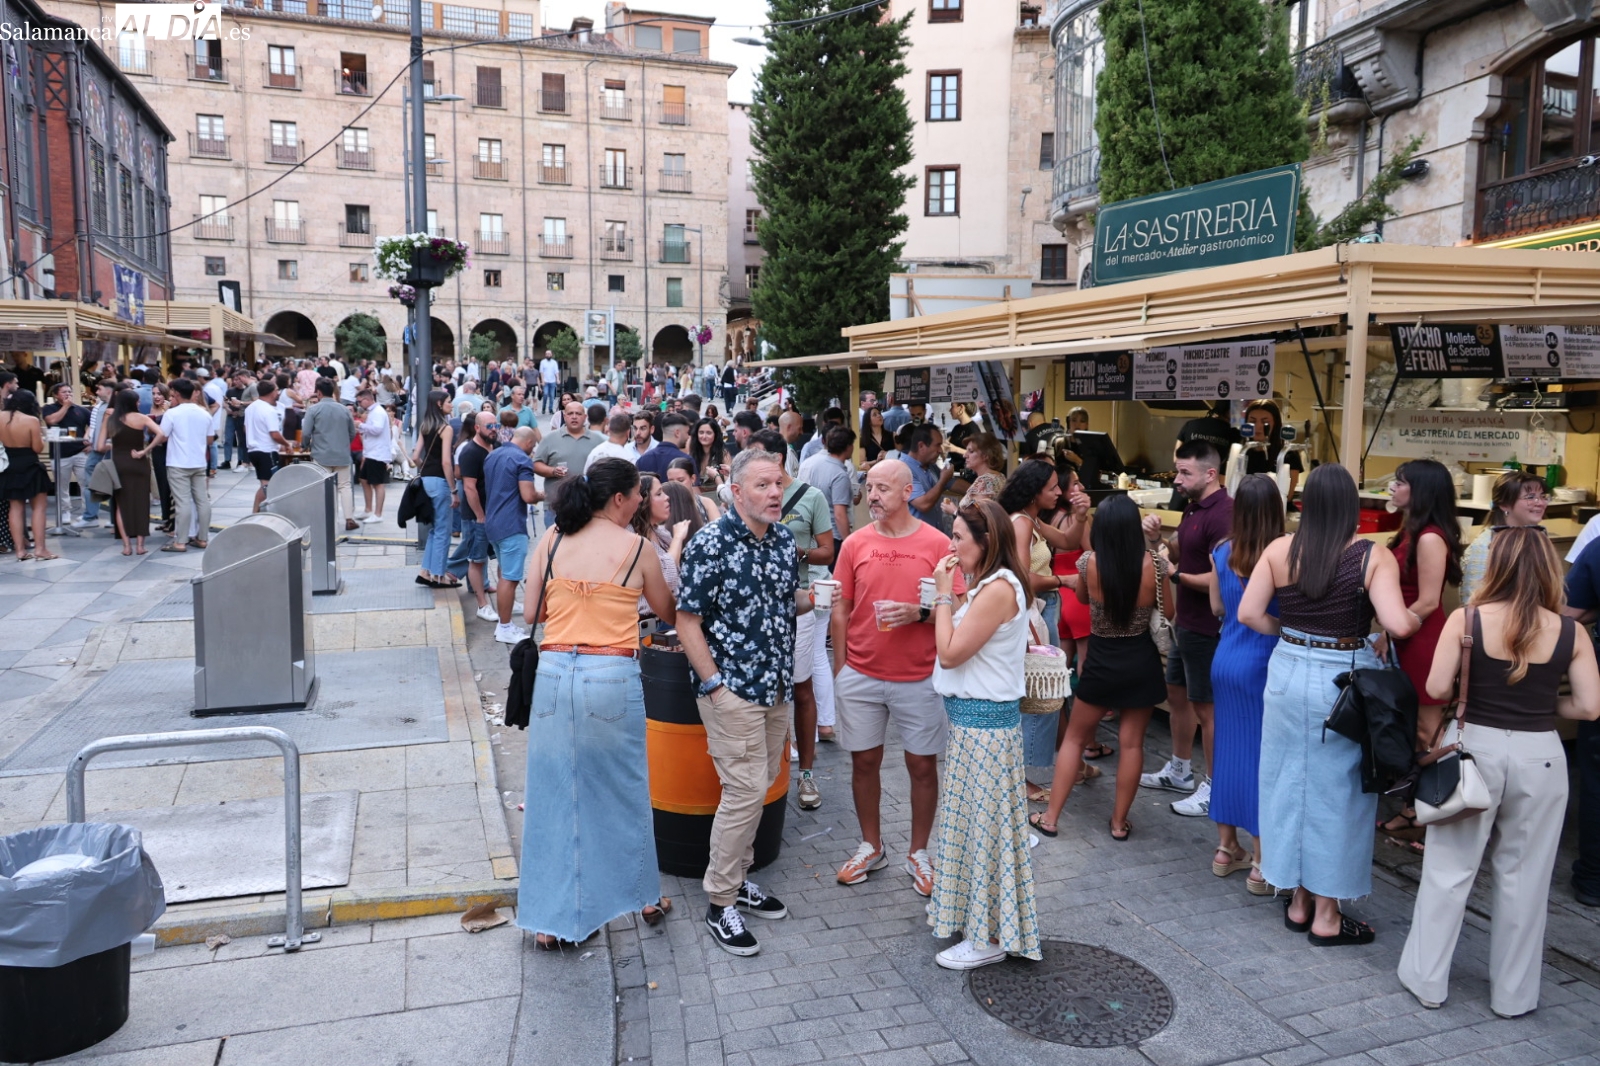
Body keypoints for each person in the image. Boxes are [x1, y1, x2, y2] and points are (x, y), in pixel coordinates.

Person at [1398, 528, 1600, 1015]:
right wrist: (1544, 705)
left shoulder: (1467, 619)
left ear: (1497, 566)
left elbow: (1436, 687)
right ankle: (1514, 996)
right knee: (1526, 878)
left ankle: (1427, 981)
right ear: (1550, 570)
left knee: (1450, 869)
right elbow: (1589, 707)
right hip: (1541, 755)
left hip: (1474, 749)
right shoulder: (1570, 632)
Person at [1238, 464, 1419, 946]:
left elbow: (1248, 613)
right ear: (1351, 507)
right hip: (1342, 679)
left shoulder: (1280, 549)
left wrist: (1292, 635)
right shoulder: (1372, 556)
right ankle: (1326, 915)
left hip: (1286, 671)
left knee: (1285, 784)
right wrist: (1417, 621)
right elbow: (1399, 624)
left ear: (1307, 504)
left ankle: (1297, 900)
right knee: (1339, 796)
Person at [517, 459, 676, 949]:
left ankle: (549, 922)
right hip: (610, 674)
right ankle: (642, 897)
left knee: (553, 794)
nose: (642, 501)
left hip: (552, 672)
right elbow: (667, 610)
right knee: (623, 790)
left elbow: (532, 611)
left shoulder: (553, 539)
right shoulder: (637, 548)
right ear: (620, 499)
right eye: (638, 495)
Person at [677, 447, 810, 956]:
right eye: (763, 485)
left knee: (758, 788)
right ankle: (720, 901)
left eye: (778, 483)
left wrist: (815, 599)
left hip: (775, 687)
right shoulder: (711, 543)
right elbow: (687, 620)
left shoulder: (782, 540)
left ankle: (737, 878)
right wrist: (715, 685)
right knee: (745, 791)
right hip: (732, 690)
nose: (775, 493)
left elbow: (782, 603)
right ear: (735, 492)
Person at [831, 461, 960, 896]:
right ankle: (871, 846)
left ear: (908, 492)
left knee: (922, 765)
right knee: (863, 762)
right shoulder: (855, 543)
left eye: (883, 488)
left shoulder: (938, 543)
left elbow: (958, 608)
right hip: (861, 674)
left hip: (920, 676)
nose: (873, 496)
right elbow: (841, 608)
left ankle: (919, 852)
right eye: (870, 487)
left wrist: (919, 614)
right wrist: (841, 668)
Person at [927, 498, 1040, 970]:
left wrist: (940, 595)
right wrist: (953, 598)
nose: (952, 545)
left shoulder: (997, 588)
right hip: (977, 728)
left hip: (984, 731)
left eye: (958, 537)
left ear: (986, 541)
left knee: (984, 833)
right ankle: (981, 924)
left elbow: (951, 653)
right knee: (977, 829)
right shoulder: (991, 586)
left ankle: (989, 936)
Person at [1030, 495, 1172, 843]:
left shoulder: (1088, 562)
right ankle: (1119, 823)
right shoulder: (1154, 564)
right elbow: (1168, 611)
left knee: (1074, 739)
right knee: (1132, 744)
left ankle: (1050, 818)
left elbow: (1081, 598)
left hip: (1101, 659)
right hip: (1140, 659)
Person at [1141, 440, 1234, 817]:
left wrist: (1176, 575)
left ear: (1210, 474)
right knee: (1177, 695)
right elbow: (1179, 552)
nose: (1177, 479)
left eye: (1184, 472)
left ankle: (1215, 786)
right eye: (1177, 471)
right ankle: (1180, 770)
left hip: (1210, 627)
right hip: (1187, 622)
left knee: (1207, 709)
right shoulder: (1193, 506)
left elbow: (1222, 577)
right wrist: (1155, 540)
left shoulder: (1225, 514)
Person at [748, 429, 833, 811]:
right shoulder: (747, 497)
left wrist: (794, 552)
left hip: (798, 599)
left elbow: (827, 551)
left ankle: (806, 774)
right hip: (756, 607)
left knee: (801, 685)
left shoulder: (811, 497)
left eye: (756, 456)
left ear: (777, 459)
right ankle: (771, 772)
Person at [1379, 458, 1464, 841]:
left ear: (1422, 490)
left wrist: (1390, 632)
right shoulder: (1410, 530)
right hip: (1407, 637)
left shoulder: (1429, 537)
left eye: (1401, 482)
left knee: (1427, 732)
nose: (1393, 488)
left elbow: (1429, 600)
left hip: (1423, 642)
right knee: (1412, 730)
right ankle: (1412, 810)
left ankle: (1436, 815)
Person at [1205, 474, 1283, 894]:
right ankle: (1260, 862)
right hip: (1263, 663)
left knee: (1227, 754)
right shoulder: (1283, 553)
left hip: (1226, 659)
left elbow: (1217, 606)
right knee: (1260, 760)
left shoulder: (1222, 551)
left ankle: (1225, 848)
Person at [484, 426, 540, 644]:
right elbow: (528, 496)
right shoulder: (522, 460)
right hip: (511, 524)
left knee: (504, 573)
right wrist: (542, 495)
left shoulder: (493, 455)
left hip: (493, 522)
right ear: (529, 443)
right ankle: (505, 627)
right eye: (533, 446)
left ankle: (504, 622)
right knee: (510, 577)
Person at [1460, 470, 1547, 603]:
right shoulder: (1486, 547)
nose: (1540, 503)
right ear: (1504, 504)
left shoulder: (1536, 537)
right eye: (1530, 497)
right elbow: (1473, 604)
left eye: (1543, 496)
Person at [445, 411, 498, 620]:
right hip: (476, 514)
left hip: (492, 513)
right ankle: (481, 604)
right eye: (489, 426)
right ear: (477, 428)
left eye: (496, 425)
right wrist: (480, 515)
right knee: (476, 555)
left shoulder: (495, 446)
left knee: (481, 554)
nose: (494, 430)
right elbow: (469, 487)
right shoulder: (470, 452)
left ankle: (478, 584)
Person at [101, 388, 165, 557]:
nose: (139, 403)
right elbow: (161, 433)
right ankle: (140, 545)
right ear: (133, 403)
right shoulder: (141, 418)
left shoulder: (111, 419)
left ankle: (126, 546)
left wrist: (115, 446)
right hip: (139, 462)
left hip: (119, 464)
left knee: (121, 505)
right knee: (141, 503)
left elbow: (99, 446)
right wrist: (146, 451)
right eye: (137, 401)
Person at [159, 379, 215, 552]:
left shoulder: (172, 413)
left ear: (176, 393)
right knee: (202, 501)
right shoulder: (204, 413)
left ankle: (181, 541)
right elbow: (210, 439)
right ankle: (202, 538)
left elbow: (163, 436)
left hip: (178, 462)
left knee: (182, 502)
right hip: (199, 461)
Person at [0, 391, 55, 561]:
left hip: (9, 465)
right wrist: (42, 438)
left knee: (15, 508)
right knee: (39, 507)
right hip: (30, 465)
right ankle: (40, 549)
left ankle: (19, 550)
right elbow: (37, 448)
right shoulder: (31, 420)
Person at [412, 389, 458, 589]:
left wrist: (425, 467)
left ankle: (425, 571)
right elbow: (446, 462)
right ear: (439, 404)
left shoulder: (425, 426)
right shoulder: (445, 428)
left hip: (426, 480)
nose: (451, 405)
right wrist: (454, 489)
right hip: (440, 481)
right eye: (449, 401)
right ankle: (438, 575)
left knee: (434, 529)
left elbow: (415, 457)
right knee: (443, 530)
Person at [300, 377, 359, 532]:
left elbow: (306, 433)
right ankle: (349, 518)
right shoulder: (344, 409)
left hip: (321, 455)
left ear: (319, 393)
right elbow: (352, 432)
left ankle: (329, 520)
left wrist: (304, 445)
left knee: (325, 488)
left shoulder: (313, 410)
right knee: (345, 486)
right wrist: (343, 444)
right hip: (342, 455)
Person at [631, 474, 687, 608]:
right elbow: (666, 578)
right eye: (659, 494)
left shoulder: (660, 532)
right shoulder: (631, 537)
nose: (667, 497)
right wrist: (678, 538)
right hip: (648, 618)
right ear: (643, 500)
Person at [42, 383, 90, 527]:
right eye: (64, 392)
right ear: (56, 395)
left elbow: (93, 425)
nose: (68, 394)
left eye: (69, 391)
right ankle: (65, 511)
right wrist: (65, 407)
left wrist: (89, 441)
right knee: (62, 486)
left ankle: (87, 513)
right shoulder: (49, 408)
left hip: (80, 451)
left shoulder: (81, 410)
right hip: (60, 454)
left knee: (85, 483)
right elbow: (52, 421)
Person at [799, 426, 856, 546]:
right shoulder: (840, 475)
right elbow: (839, 515)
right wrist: (849, 543)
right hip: (835, 536)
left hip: (818, 533)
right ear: (848, 447)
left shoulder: (816, 465)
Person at [1241, 399, 1302, 501]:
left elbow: (1287, 496)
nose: (1258, 426)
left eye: (1265, 422)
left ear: (1275, 424)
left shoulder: (1288, 454)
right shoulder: (1240, 452)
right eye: (1252, 422)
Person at [534, 400, 601, 491]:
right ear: (564, 417)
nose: (574, 417)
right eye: (570, 413)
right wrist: (553, 471)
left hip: (588, 496)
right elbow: (536, 465)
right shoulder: (549, 439)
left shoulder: (598, 440)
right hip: (557, 497)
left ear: (585, 417)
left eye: (578, 414)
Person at [244, 377, 287, 514]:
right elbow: (274, 434)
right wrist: (287, 444)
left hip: (253, 450)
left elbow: (245, 428)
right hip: (266, 450)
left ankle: (261, 511)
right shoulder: (269, 410)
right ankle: (256, 512)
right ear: (271, 393)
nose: (278, 393)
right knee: (268, 485)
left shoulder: (251, 407)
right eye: (276, 390)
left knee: (265, 482)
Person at [902, 424, 953, 532]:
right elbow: (923, 504)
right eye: (937, 445)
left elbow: (952, 483)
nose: (940, 450)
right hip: (917, 538)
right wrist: (943, 480)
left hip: (934, 534)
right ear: (921, 446)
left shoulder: (930, 466)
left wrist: (977, 488)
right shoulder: (904, 469)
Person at [354, 388, 393, 523]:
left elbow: (377, 430)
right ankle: (368, 509)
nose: (359, 405)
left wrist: (361, 426)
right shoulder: (373, 412)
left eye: (360, 402)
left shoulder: (378, 412)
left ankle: (378, 514)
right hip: (371, 452)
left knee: (377, 483)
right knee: (364, 479)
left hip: (377, 453)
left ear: (367, 399)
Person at [945, 432, 1005, 512]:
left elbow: (977, 516)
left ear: (985, 455)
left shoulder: (984, 482)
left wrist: (954, 511)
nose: (965, 455)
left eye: (971, 451)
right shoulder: (1000, 476)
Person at [636, 414, 693, 480]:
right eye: (687, 432)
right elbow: (694, 485)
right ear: (677, 433)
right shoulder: (686, 460)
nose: (688, 436)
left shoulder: (642, 460)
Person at [689, 418, 730, 486]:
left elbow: (728, 483)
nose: (704, 436)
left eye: (709, 433)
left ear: (715, 434)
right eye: (701, 432)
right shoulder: (692, 453)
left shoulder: (723, 454)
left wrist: (716, 477)